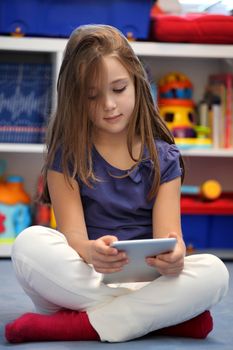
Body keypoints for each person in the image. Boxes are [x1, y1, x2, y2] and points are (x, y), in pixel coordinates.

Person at [5, 24, 229, 344]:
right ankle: (158, 319)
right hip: (87, 278)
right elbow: (74, 239)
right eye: (93, 96)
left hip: (149, 282)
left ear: (137, 84)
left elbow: (171, 238)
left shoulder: (163, 158)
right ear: (75, 100)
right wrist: (91, 252)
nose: (109, 105)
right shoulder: (66, 156)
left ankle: (78, 325)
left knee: (215, 272)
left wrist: (175, 256)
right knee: (28, 244)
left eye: (119, 89)